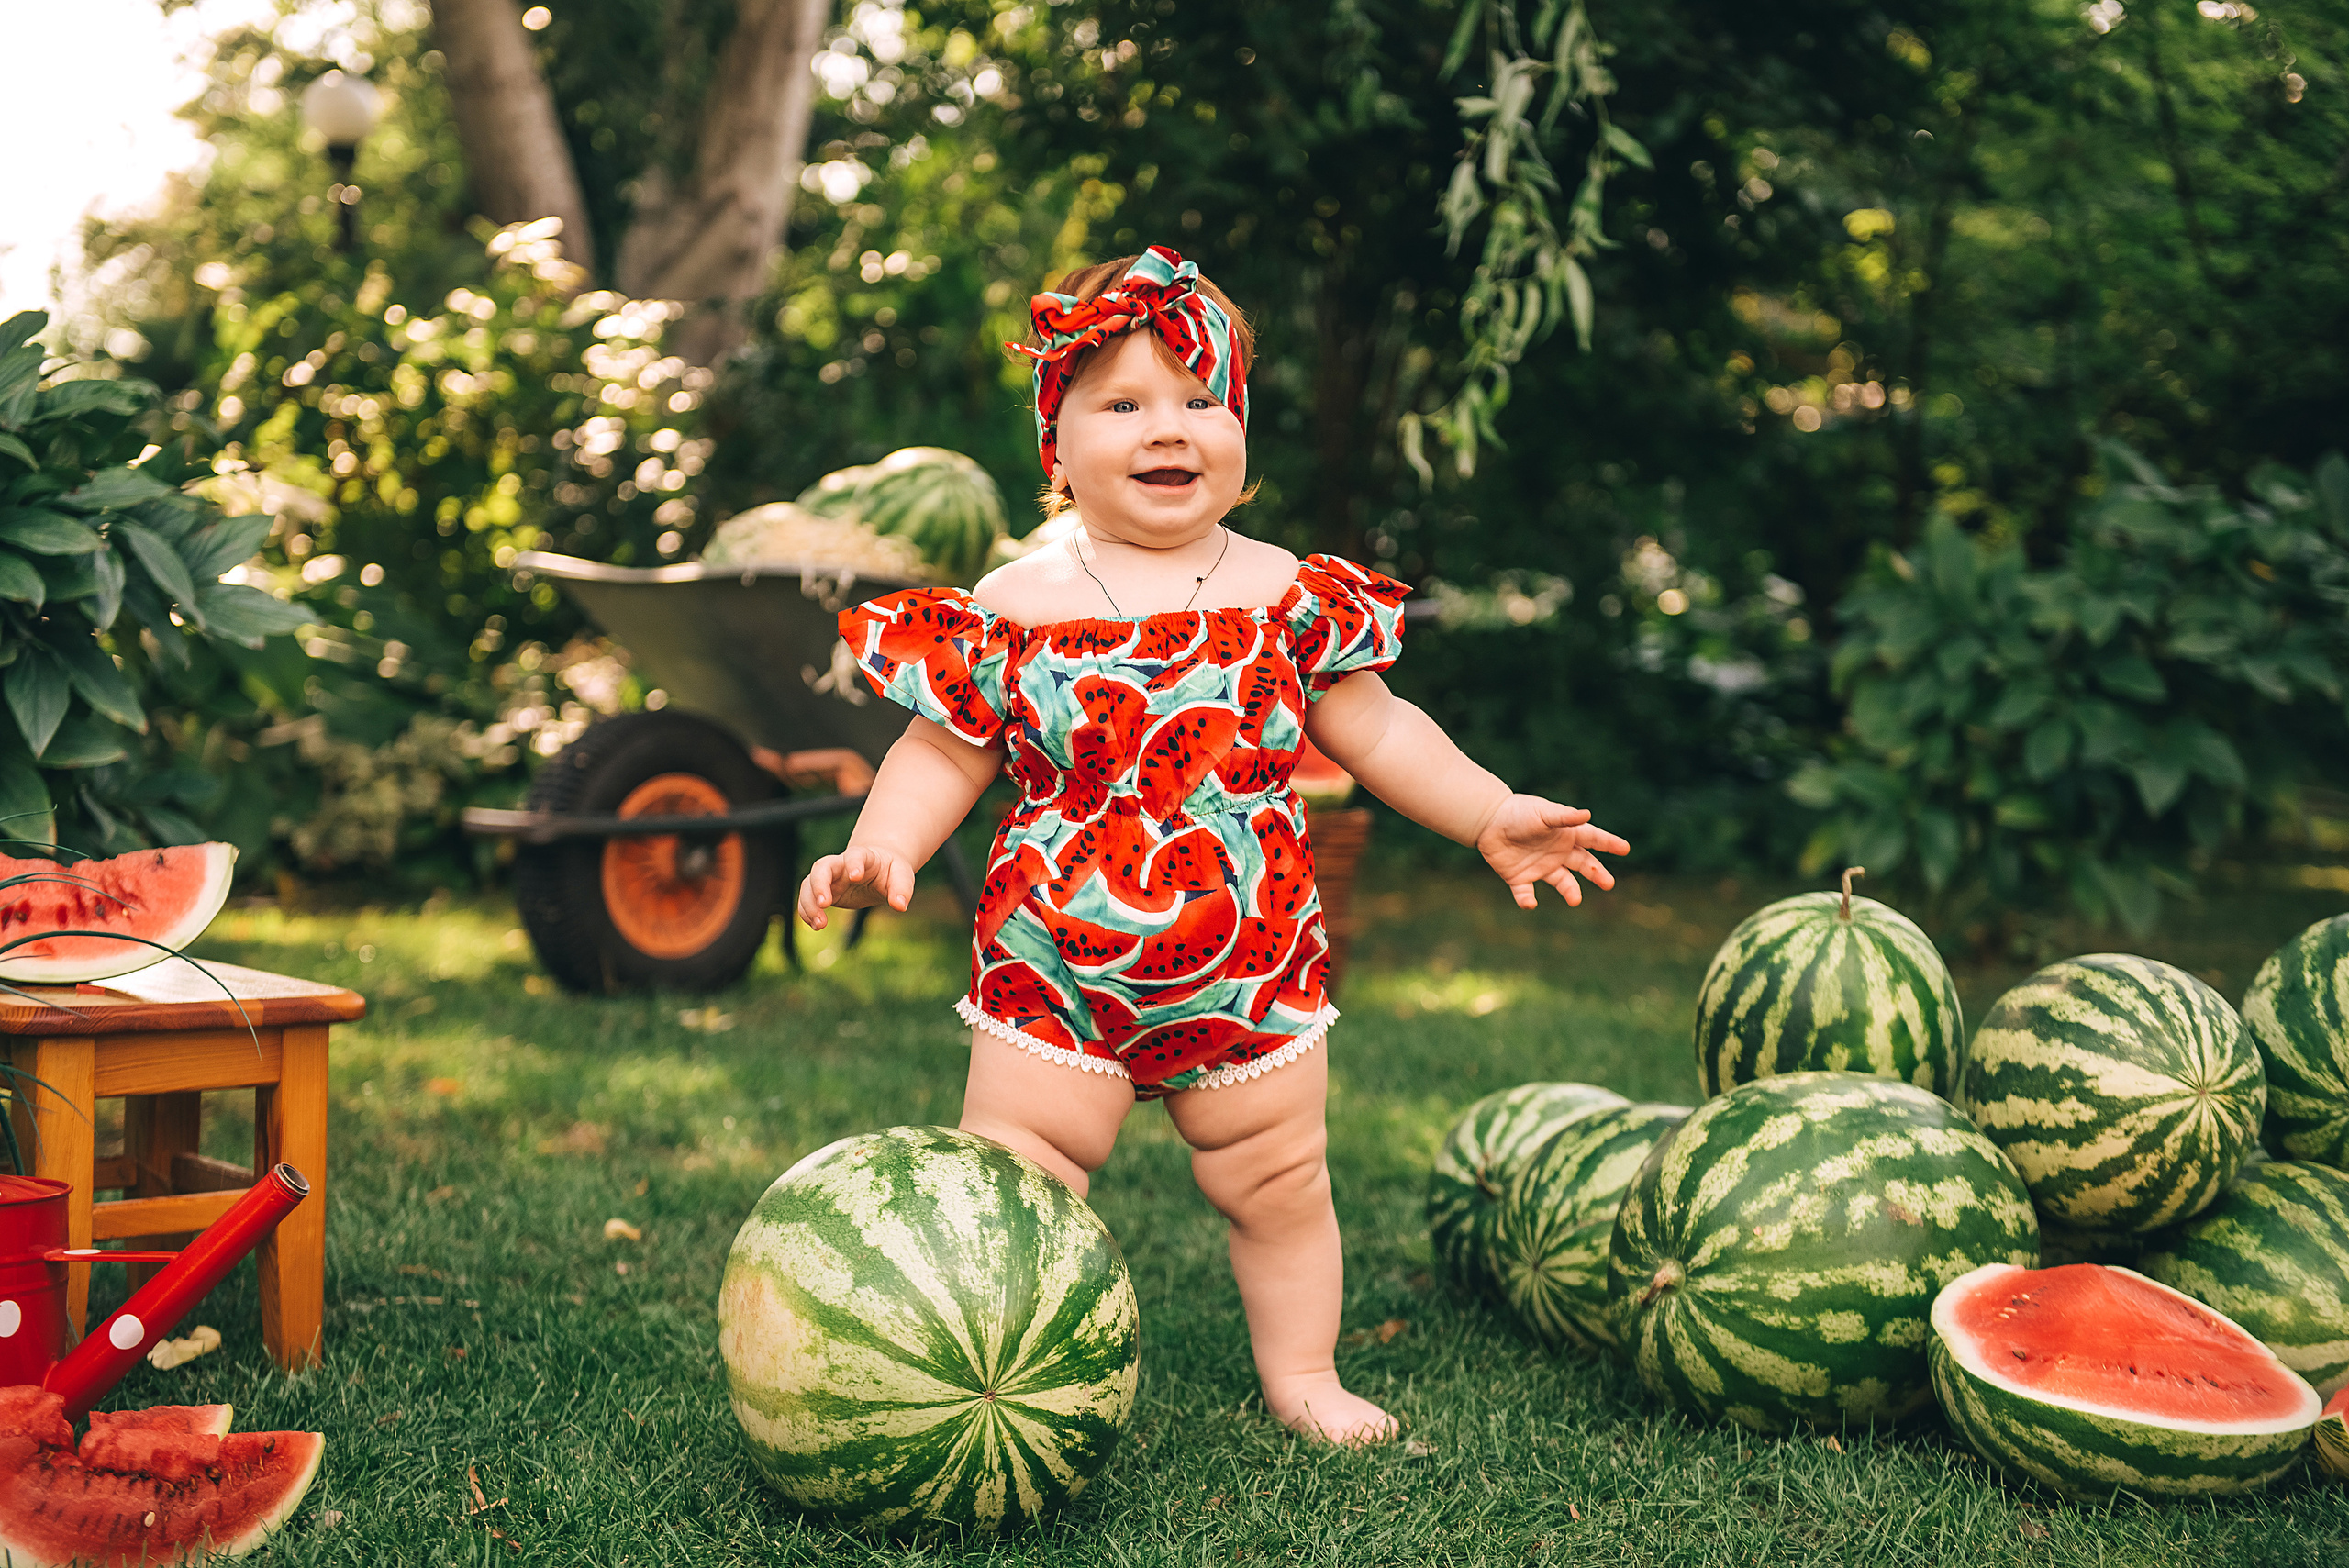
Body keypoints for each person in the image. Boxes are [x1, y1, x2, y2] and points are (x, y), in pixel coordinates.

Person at [796, 246, 1627, 1444]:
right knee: (1019, 1187)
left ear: (1242, 435)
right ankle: (997, 1369)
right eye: (1124, 403)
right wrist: (887, 844)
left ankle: (1303, 1373)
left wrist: (1490, 809)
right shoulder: (1018, 604)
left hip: (1254, 972)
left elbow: (1382, 731)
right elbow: (941, 753)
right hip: (1055, 974)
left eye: (1202, 401)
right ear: (1057, 443)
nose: (1167, 428)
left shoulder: (1285, 594)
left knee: (1281, 1187)